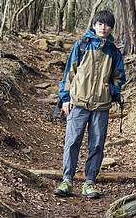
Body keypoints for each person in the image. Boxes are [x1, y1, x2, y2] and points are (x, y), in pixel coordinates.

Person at [54, 10, 126, 198]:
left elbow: (119, 78)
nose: (103, 28)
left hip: (101, 106)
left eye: (107, 25)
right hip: (78, 102)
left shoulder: (113, 52)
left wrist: (111, 90)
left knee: (96, 145)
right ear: (94, 25)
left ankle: (90, 183)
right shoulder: (81, 45)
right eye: (100, 24)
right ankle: (67, 180)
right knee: (72, 142)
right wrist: (65, 98)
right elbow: (69, 74)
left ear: (111, 28)